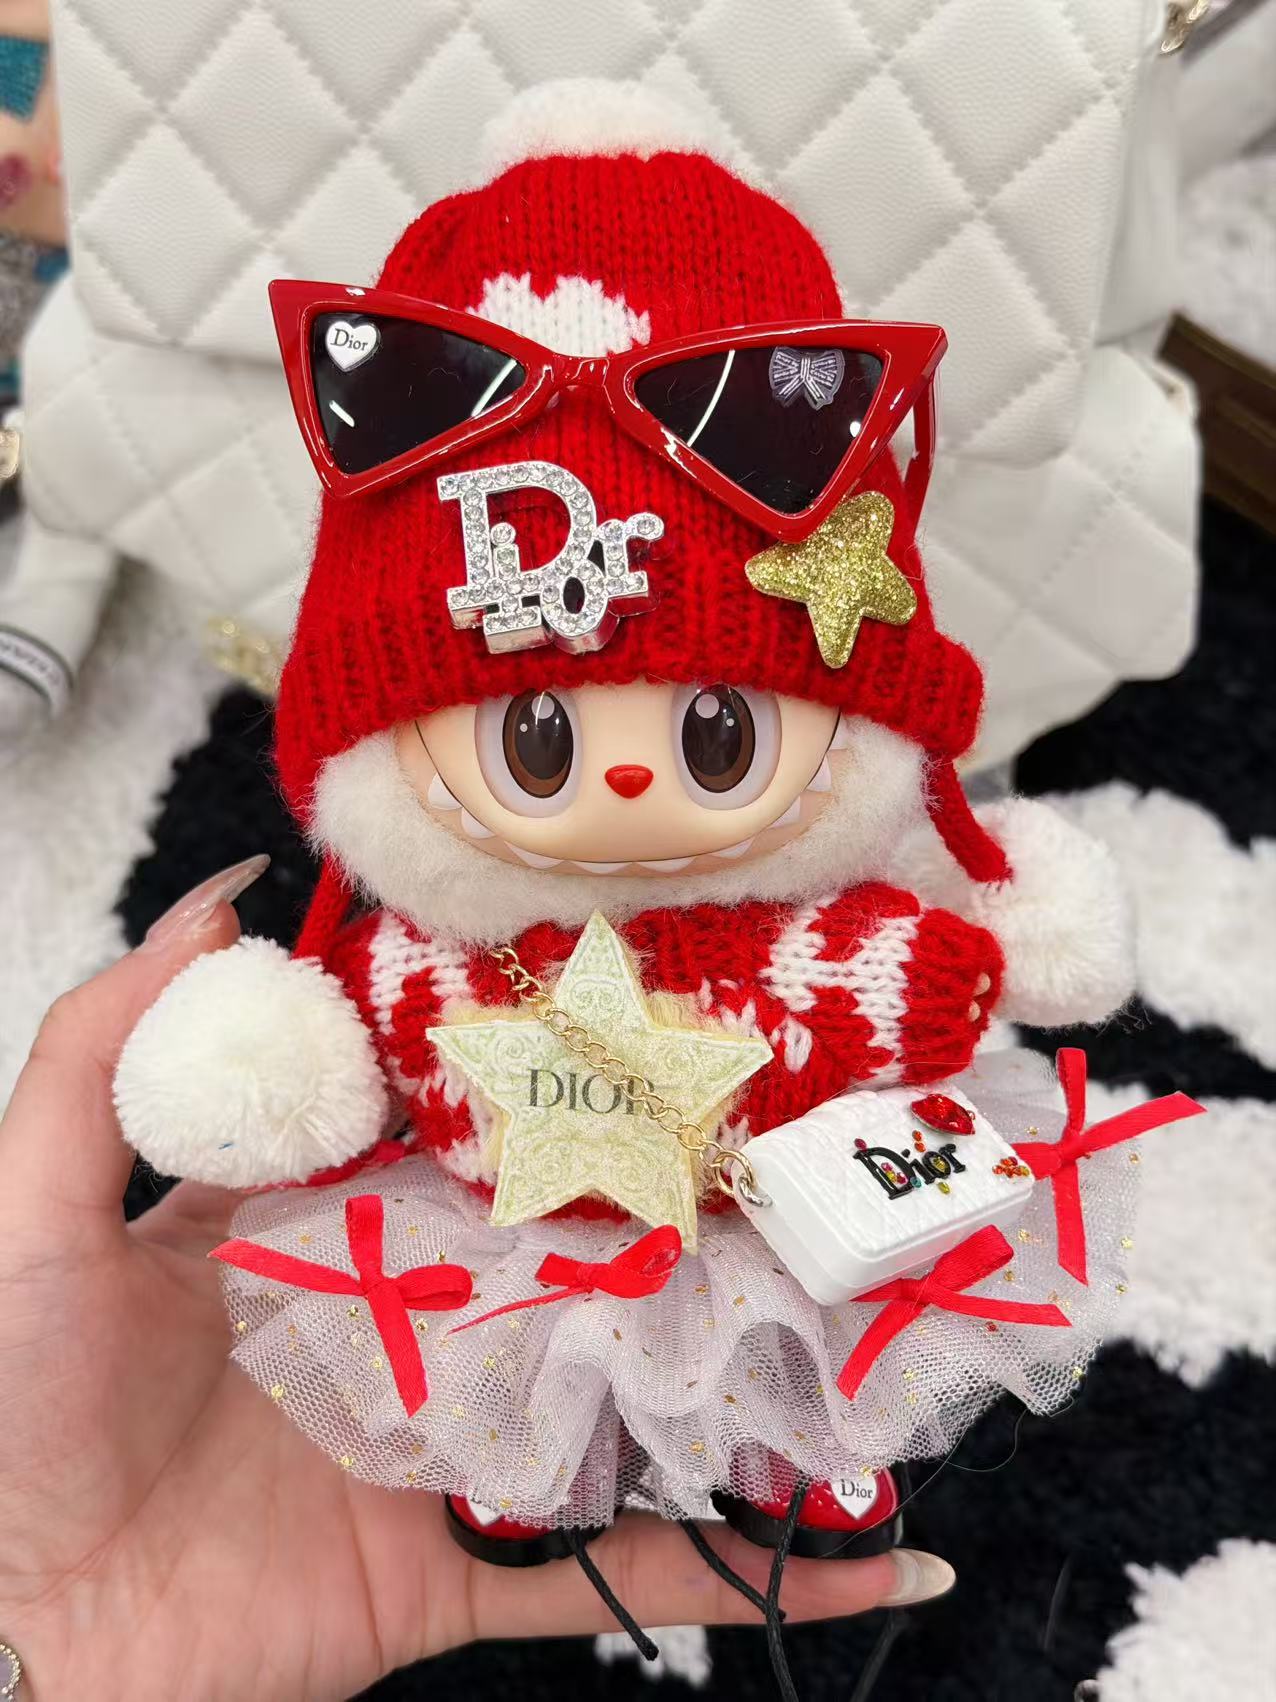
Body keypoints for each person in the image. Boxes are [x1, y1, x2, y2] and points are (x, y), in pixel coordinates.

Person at [0, 859, 955, 1700]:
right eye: (535, 747)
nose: (625, 781)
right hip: (510, 1233)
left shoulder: (795, 936)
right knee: (513, 1346)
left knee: (774, 1326)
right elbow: (339, 1051)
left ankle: (792, 1454)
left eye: (715, 741)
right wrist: (269, 1060)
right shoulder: (428, 954)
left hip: (746, 1220)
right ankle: (533, 1466)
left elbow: (922, 991)